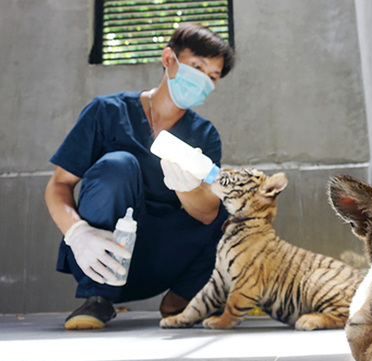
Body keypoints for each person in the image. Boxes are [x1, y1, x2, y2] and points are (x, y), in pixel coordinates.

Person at [45, 23, 235, 330]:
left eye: (212, 77)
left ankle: (182, 297)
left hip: (167, 258)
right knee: (118, 165)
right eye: (197, 67)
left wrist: (187, 189)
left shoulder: (203, 135)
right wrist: (77, 233)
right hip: (103, 254)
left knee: (235, 210)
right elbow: (59, 185)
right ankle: (98, 298)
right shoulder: (107, 112)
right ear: (168, 58)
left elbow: (207, 215)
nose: (203, 80)